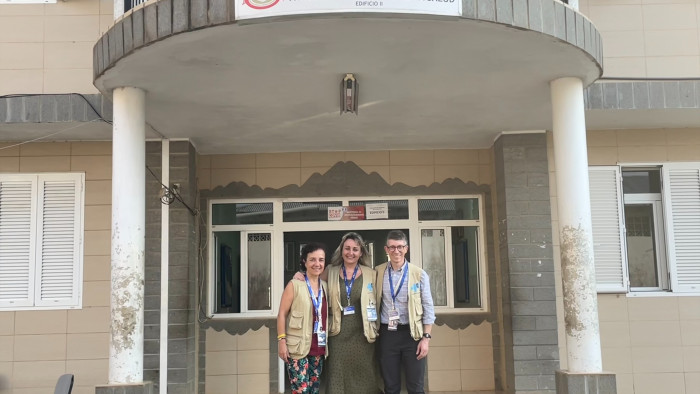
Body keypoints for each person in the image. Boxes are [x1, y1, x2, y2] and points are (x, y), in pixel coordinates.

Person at [295, 232, 380, 393]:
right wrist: (301, 275)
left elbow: (380, 300)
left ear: (361, 252)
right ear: (341, 250)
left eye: (355, 249)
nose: (351, 252)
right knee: (337, 379)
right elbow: (313, 285)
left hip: (364, 336)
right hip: (337, 335)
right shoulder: (330, 271)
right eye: (347, 248)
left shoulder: (371, 273)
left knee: (365, 379)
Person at [375, 230, 435, 394]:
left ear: (406, 248)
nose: (396, 251)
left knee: (415, 387)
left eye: (400, 247)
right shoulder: (378, 272)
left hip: (413, 335)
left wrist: (426, 339)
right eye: (392, 247)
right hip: (388, 335)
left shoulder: (419, 274)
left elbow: (428, 307)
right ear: (386, 249)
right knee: (391, 386)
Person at [277, 243, 329, 394]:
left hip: (318, 348)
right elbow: (281, 314)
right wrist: (281, 341)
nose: (317, 264)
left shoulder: (325, 286)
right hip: (297, 347)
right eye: (312, 259)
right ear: (304, 262)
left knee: (314, 390)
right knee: (301, 390)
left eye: (321, 260)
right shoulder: (295, 285)